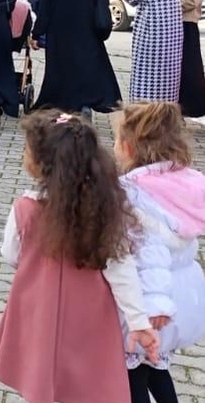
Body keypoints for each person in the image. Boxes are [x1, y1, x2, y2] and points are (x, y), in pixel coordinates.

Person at [0, 110, 160, 403]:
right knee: (84, 382)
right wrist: (138, 320)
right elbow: (121, 268)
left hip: (38, 308)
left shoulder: (26, 209)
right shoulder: (105, 211)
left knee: (41, 374)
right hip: (89, 316)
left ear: (42, 164)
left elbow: (11, 254)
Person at [113, 102, 205, 402]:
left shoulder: (133, 193)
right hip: (183, 294)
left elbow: (149, 254)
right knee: (155, 365)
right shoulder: (188, 183)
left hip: (148, 300)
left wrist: (150, 307)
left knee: (133, 373)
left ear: (128, 147)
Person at [32, 0, 121, 115]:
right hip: (88, 32)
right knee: (86, 68)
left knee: (62, 71)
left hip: (60, 34)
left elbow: (46, 8)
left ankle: (67, 107)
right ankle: (85, 104)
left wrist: (37, 33)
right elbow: (102, 3)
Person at [125, 0, 185, 103]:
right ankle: (165, 112)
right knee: (168, 77)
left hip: (151, 35)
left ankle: (144, 113)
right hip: (173, 36)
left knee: (146, 74)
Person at [169, 0, 205, 117]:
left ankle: (192, 107)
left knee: (188, 69)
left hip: (186, 23)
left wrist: (168, 5)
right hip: (173, 24)